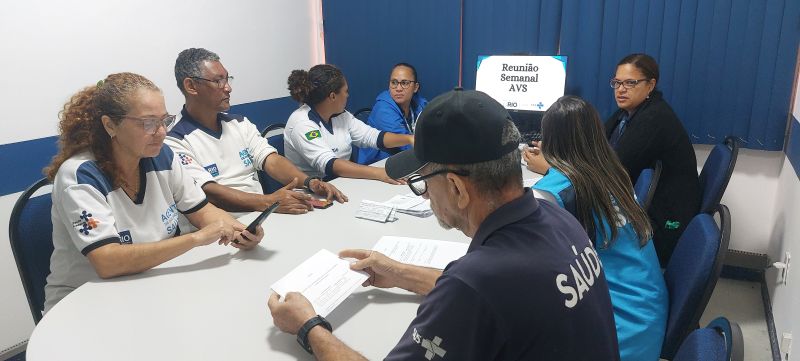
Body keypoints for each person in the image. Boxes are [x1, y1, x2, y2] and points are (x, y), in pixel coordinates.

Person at [268, 89, 620, 360]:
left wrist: (308, 326)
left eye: (423, 181)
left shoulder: (477, 283)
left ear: (456, 187)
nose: (424, 195)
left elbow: (479, 293)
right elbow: (504, 299)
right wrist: (401, 272)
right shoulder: (558, 218)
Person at [43, 73, 263, 311]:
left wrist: (240, 232)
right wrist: (196, 239)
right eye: (148, 123)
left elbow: (202, 211)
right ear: (110, 125)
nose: (161, 132)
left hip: (149, 284)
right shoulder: (79, 176)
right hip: (85, 302)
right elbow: (107, 261)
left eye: (164, 121)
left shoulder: (162, 156)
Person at [524, 96, 667, 361]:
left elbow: (515, 276)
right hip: (645, 318)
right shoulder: (613, 172)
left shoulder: (553, 193)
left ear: (549, 141)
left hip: (616, 339)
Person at [165, 48, 347, 218]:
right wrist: (267, 202)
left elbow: (271, 160)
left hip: (259, 217)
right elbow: (209, 192)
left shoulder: (239, 123)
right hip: (217, 229)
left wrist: (310, 183)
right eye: (218, 81)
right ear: (191, 86)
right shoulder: (174, 139)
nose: (228, 88)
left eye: (228, 79)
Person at [606, 53, 701, 266]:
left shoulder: (654, 119)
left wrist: (553, 166)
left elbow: (611, 168)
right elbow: (598, 143)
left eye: (630, 83)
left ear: (651, 85)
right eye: (617, 82)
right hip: (648, 206)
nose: (621, 89)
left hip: (665, 222)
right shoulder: (628, 112)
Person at [284, 64, 414, 183]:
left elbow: (372, 137)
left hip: (343, 182)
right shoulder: (302, 123)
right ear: (333, 96)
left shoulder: (341, 115)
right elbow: (329, 164)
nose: (348, 95)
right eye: (345, 91)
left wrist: (409, 139)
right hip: (314, 191)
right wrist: (379, 173)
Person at [357, 63, 428, 165]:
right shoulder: (383, 109)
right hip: (376, 166)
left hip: (405, 161)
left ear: (416, 87)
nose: (398, 88)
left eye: (405, 83)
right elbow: (407, 144)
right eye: (394, 82)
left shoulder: (419, 104)